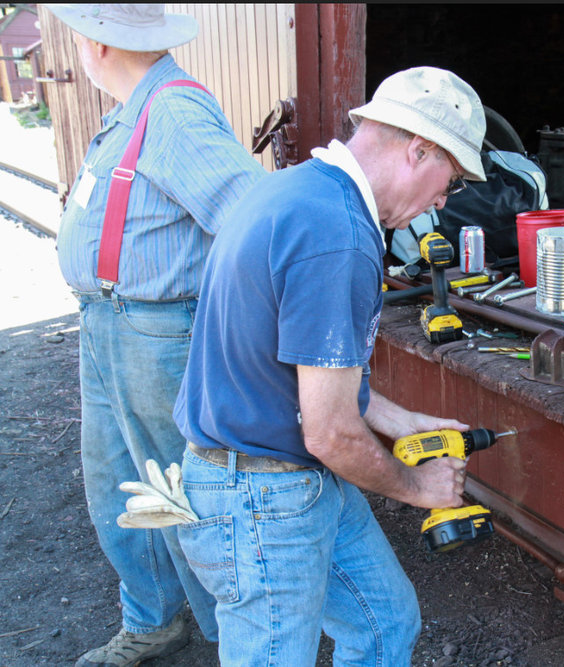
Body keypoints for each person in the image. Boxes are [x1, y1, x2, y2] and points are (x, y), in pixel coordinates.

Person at [172, 65, 486, 665]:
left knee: (384, 622)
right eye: (452, 179)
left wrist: (399, 419)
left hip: (279, 474)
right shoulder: (337, 234)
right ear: (419, 150)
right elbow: (331, 432)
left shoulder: (294, 189)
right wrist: (420, 489)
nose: (444, 200)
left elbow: (297, 371)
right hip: (261, 496)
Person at [45, 4, 267, 666]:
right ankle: (154, 618)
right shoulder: (134, 110)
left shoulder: (173, 112)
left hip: (156, 332)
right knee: (121, 483)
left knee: (185, 490)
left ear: (95, 43)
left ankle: (246, 634)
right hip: (109, 326)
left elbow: (250, 222)